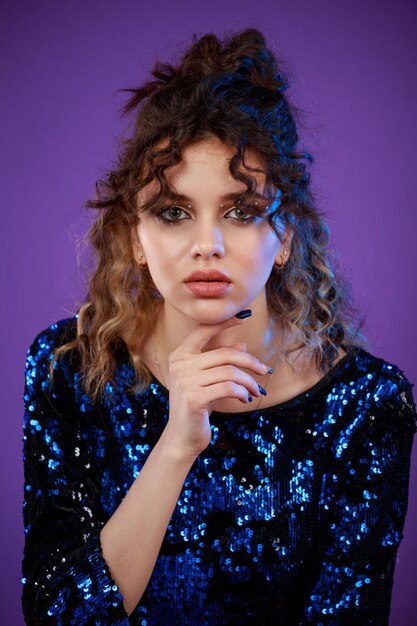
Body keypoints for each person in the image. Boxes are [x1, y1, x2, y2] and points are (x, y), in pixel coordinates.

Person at [21, 28, 417, 625]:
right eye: (174, 212)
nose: (206, 246)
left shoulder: (366, 406)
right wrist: (175, 447)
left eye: (241, 211)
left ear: (284, 234)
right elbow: (59, 616)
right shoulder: (69, 368)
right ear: (136, 236)